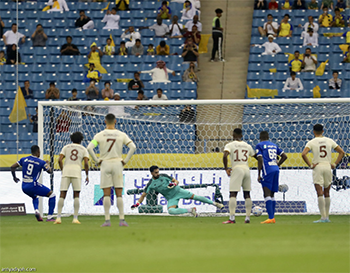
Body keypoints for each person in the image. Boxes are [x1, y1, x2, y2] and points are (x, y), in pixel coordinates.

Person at [87, 113, 136, 227]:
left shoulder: (99, 135)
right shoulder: (121, 134)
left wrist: (97, 160)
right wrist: (126, 160)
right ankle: (122, 220)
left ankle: (107, 220)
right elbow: (133, 147)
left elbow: (89, 148)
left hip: (105, 163)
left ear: (105, 122)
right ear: (115, 121)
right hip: (117, 163)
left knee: (106, 194)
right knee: (119, 193)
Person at [131, 166, 224, 217]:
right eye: (156, 172)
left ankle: (215, 204)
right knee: (171, 211)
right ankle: (190, 210)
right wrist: (137, 204)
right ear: (151, 173)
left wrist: (174, 184)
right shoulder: (150, 184)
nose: (158, 174)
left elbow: (176, 181)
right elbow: (143, 195)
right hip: (171, 198)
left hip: (178, 191)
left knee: (196, 197)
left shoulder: (164, 175)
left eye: (158, 172)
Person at [301, 124, 344, 223]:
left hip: (318, 167)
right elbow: (341, 152)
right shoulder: (329, 140)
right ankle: (327, 217)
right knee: (327, 192)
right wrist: (335, 164)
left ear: (313, 132)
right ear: (323, 131)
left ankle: (323, 217)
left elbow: (303, 154)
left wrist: (310, 165)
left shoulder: (311, 142)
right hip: (328, 166)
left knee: (319, 192)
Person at [10, 145, 55, 222]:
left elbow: (12, 167)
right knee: (52, 195)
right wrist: (47, 164)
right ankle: (50, 217)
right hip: (32, 185)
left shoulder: (24, 159)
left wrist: (14, 177)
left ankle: (36, 210)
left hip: (24, 186)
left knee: (35, 196)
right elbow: (49, 171)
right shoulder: (41, 162)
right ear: (38, 152)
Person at [222, 128, 256, 224]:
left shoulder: (230, 145)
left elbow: (225, 156)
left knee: (233, 194)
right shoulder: (247, 145)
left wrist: (226, 168)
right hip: (246, 169)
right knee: (247, 194)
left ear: (233, 135)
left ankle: (232, 218)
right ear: (241, 135)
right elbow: (255, 156)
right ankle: (248, 218)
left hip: (237, 168)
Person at [55, 132, 89, 225]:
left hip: (66, 172)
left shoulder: (66, 147)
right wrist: (87, 175)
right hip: (76, 172)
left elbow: (59, 159)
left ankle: (58, 218)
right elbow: (86, 163)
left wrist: (63, 169)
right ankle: (75, 218)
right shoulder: (84, 149)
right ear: (81, 140)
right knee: (76, 194)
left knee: (62, 194)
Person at [256, 131, 288, 224]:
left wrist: (259, 173)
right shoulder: (274, 145)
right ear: (268, 137)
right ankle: (272, 217)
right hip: (276, 169)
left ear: (259, 137)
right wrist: (278, 165)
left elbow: (260, 159)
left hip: (267, 169)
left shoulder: (259, 145)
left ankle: (270, 218)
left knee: (266, 194)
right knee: (272, 194)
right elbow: (284, 156)